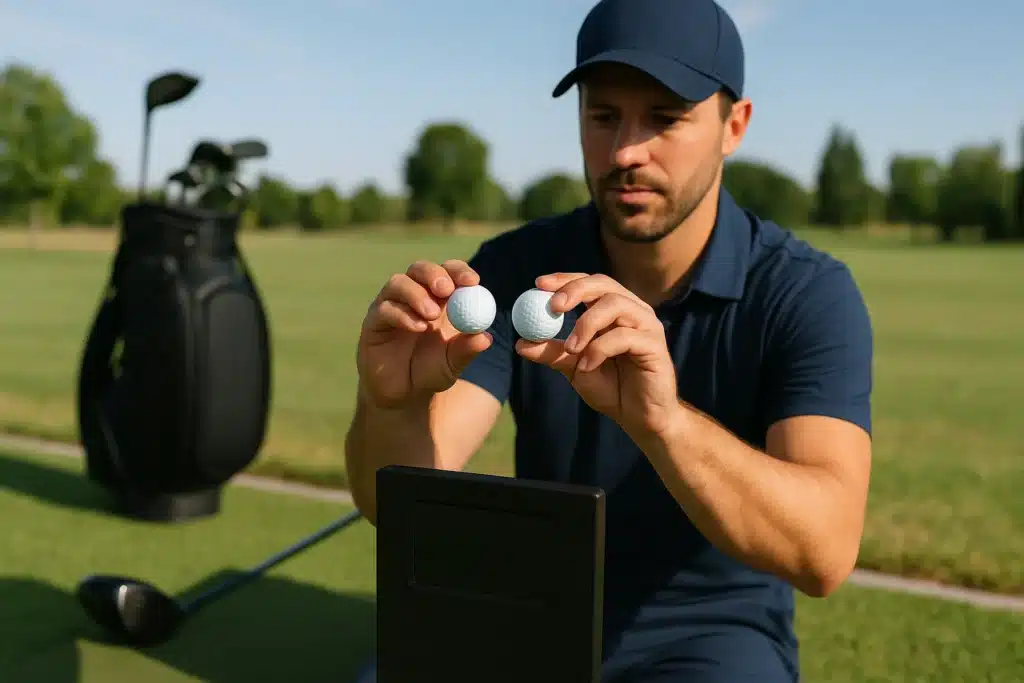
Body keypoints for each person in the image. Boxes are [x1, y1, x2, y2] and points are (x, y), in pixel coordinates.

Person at [344, 0, 874, 680]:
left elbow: (824, 551)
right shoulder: (515, 269)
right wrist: (392, 404)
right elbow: (391, 501)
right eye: (603, 116)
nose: (627, 150)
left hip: (711, 635)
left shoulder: (805, 293)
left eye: (665, 117)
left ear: (733, 126)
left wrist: (663, 423)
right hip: (528, 606)